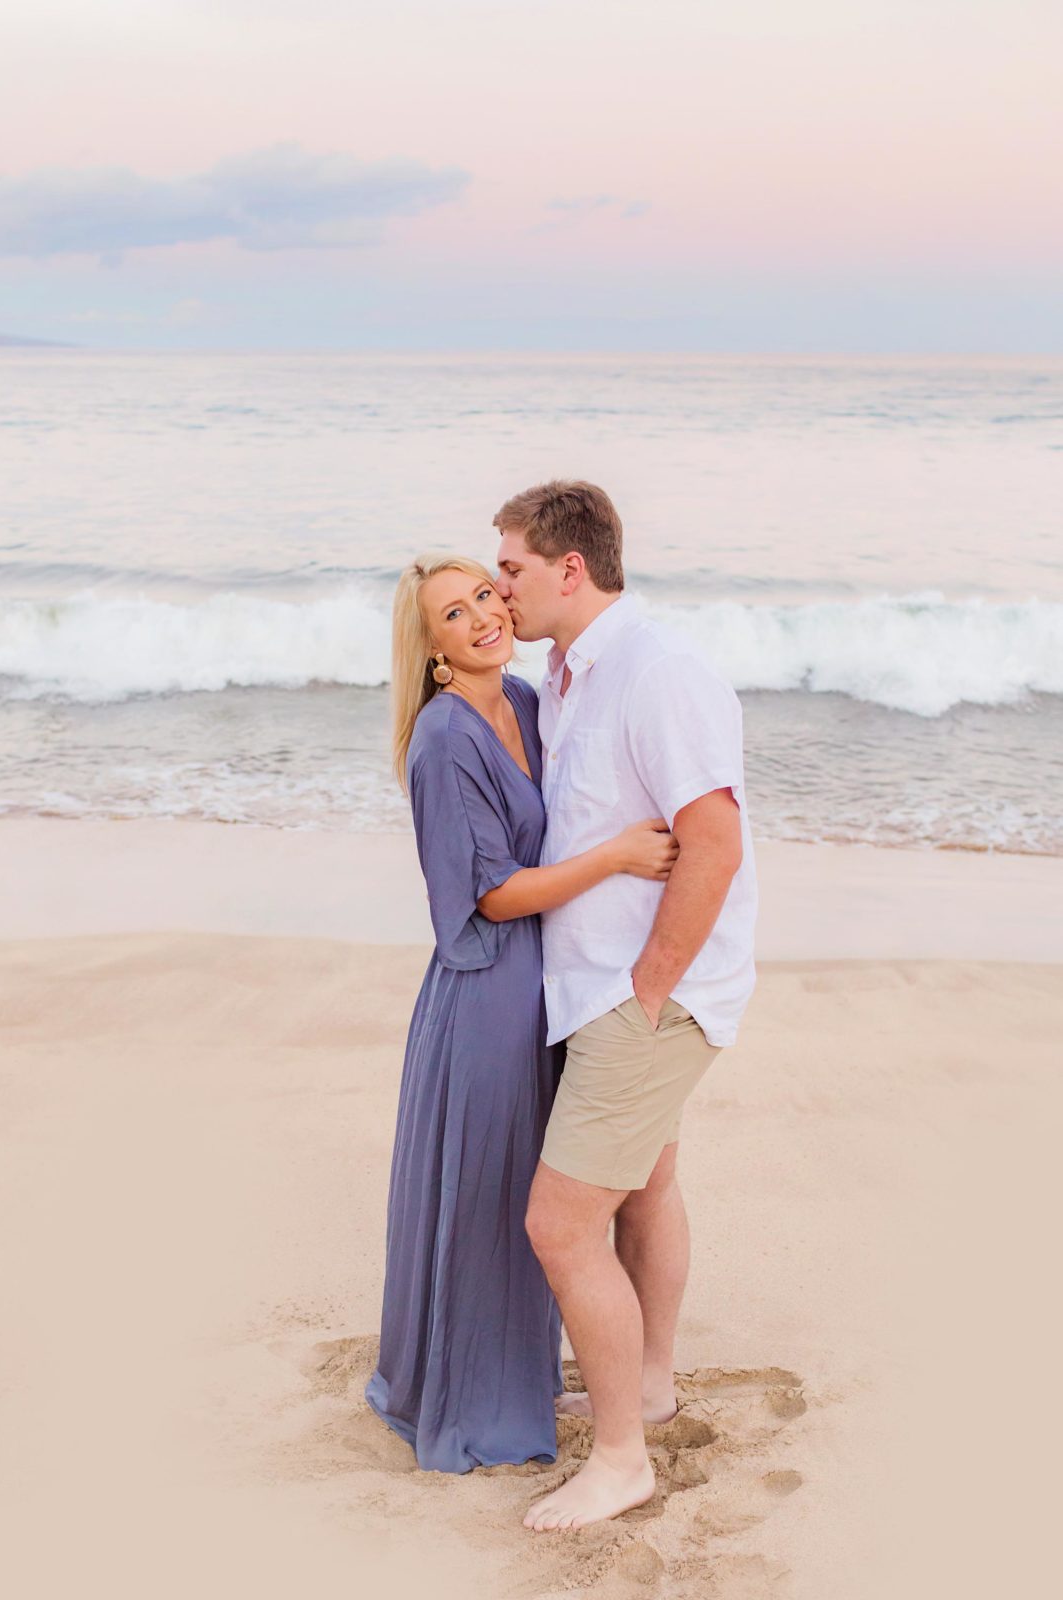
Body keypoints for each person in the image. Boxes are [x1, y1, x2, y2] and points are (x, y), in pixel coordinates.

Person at [365, 553, 679, 1473]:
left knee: (540, 1199)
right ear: (431, 650)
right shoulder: (443, 740)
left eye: (484, 597)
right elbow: (491, 895)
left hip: (548, 980)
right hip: (489, 992)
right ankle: (473, 1404)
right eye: (452, 615)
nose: (480, 618)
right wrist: (620, 858)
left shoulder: (533, 705)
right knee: (496, 1200)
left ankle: (523, 1376)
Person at [490, 481, 758, 1531]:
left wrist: (652, 987)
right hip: (598, 987)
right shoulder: (563, 677)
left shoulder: (659, 671)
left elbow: (715, 839)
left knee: (558, 1225)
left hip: (641, 993)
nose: (498, 588)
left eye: (508, 567)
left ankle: (619, 1458)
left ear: (568, 568)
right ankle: (646, 1384)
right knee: (644, 1186)